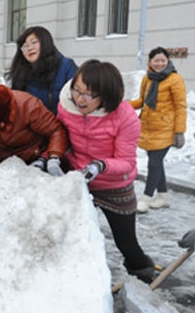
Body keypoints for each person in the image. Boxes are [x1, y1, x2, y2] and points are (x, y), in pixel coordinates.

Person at [56, 60, 156, 283]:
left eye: (88, 95)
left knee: (126, 244)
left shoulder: (124, 115)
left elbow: (126, 161)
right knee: (73, 236)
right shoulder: (65, 105)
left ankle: (143, 275)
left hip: (114, 184)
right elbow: (59, 135)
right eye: (77, 90)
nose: (79, 99)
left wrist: (100, 165)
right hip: (78, 179)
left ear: (106, 95)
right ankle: (77, 281)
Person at [0, 81, 68, 177]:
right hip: (11, 169)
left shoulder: (25, 105)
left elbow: (56, 130)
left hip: (40, 160)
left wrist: (54, 157)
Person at [129, 47, 187, 213]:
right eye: (157, 60)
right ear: (150, 62)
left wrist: (179, 131)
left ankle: (145, 199)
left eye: (163, 60)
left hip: (165, 129)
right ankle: (163, 197)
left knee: (154, 163)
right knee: (157, 163)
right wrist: (124, 105)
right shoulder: (148, 78)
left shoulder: (175, 80)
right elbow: (142, 100)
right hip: (148, 128)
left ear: (168, 61)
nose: (160, 64)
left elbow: (180, 107)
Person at [7, 26, 77, 115]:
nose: (29, 48)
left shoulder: (66, 66)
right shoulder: (20, 72)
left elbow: (77, 100)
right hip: (34, 126)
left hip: (62, 124)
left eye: (34, 42)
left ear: (45, 43)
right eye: (24, 46)